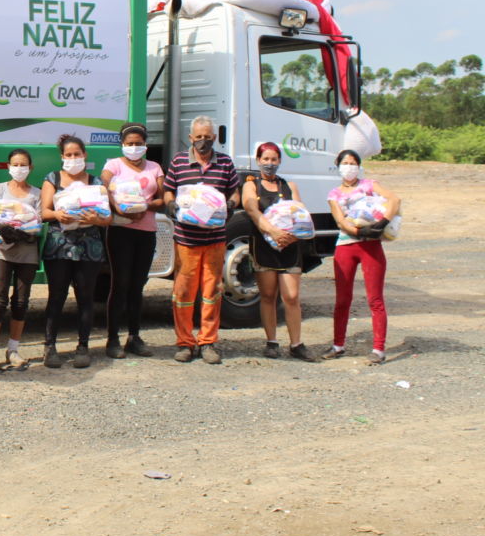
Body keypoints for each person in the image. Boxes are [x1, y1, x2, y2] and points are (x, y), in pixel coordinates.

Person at [162, 116, 241, 365]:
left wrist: (230, 205)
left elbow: (235, 191)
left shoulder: (225, 163)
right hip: (186, 239)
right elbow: (167, 190)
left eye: (208, 137)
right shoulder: (178, 161)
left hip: (215, 239)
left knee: (212, 291)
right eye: (199, 137)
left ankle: (208, 341)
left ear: (214, 138)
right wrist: (171, 205)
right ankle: (185, 342)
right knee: (183, 292)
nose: (203, 142)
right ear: (191, 138)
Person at [39, 134, 111, 368]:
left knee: (85, 297)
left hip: (89, 248)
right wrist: (57, 215)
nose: (73, 159)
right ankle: (50, 347)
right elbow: (44, 212)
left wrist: (96, 219)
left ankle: (83, 347)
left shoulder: (96, 182)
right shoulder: (52, 179)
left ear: (84, 155)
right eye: (68, 155)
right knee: (57, 296)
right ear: (62, 157)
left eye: (77, 154)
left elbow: (107, 217)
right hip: (59, 246)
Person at [241, 142, 317, 362]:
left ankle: (296, 344)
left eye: (274, 160)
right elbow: (252, 211)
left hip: (289, 247)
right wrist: (273, 232)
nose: (270, 164)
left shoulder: (289, 186)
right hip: (265, 246)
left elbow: (300, 214)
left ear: (280, 161)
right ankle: (272, 342)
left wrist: (291, 235)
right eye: (265, 159)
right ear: (258, 161)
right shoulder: (251, 185)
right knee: (268, 296)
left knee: (291, 297)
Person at [325, 149, 400, 365]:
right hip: (346, 246)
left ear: (359, 166)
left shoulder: (369, 185)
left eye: (353, 163)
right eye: (345, 163)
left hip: (371, 247)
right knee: (342, 299)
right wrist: (360, 232)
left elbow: (394, 199)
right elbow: (341, 221)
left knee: (375, 299)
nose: (349, 167)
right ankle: (338, 344)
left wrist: (383, 222)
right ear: (338, 166)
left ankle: (378, 348)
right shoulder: (334, 194)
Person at [99, 122, 164, 359]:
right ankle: (113, 339)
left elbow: (163, 198)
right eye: (130, 144)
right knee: (120, 283)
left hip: (146, 231)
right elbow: (103, 185)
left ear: (145, 145)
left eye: (138, 143)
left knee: (138, 285)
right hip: (120, 231)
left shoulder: (155, 167)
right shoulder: (113, 165)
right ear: (122, 145)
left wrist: (141, 207)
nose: (134, 147)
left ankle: (134, 337)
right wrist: (120, 207)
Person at [0, 148, 41, 372]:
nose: (19, 169)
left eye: (23, 164)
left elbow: (38, 220)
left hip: (27, 252)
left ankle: (13, 350)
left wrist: (27, 232)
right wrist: (0, 227)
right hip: (1, 252)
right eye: (15, 165)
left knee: (21, 302)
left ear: (31, 167)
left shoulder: (35, 194)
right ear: (8, 167)